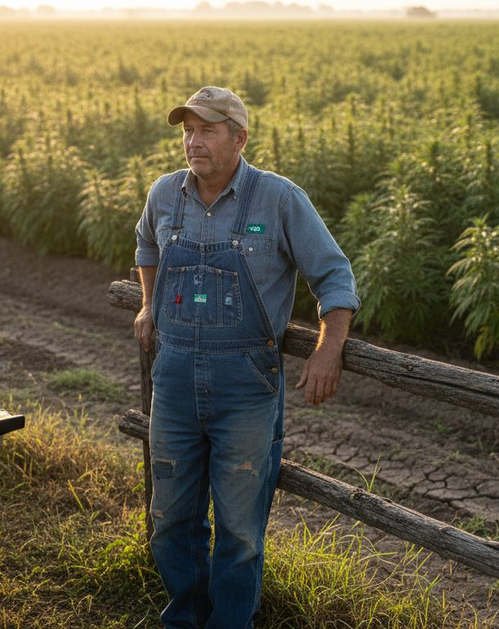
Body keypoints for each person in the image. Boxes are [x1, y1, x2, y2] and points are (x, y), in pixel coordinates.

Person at [132, 86, 360, 629]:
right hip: (176, 379)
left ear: (240, 137)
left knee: (239, 528)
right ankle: (184, 617)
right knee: (170, 519)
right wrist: (147, 304)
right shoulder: (165, 194)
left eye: (208, 130)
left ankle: (231, 622)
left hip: (246, 387)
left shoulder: (279, 198)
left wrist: (330, 346)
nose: (194, 142)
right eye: (188, 130)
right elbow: (145, 248)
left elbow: (334, 274)